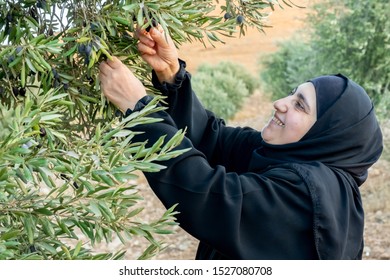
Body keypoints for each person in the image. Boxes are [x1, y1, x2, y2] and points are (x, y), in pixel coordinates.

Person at [99, 27, 383, 260]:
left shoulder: (307, 195)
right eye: (291, 93)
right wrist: (172, 76)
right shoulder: (287, 157)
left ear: (326, 133)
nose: (279, 103)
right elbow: (215, 140)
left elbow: (208, 194)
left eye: (300, 106)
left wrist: (140, 109)